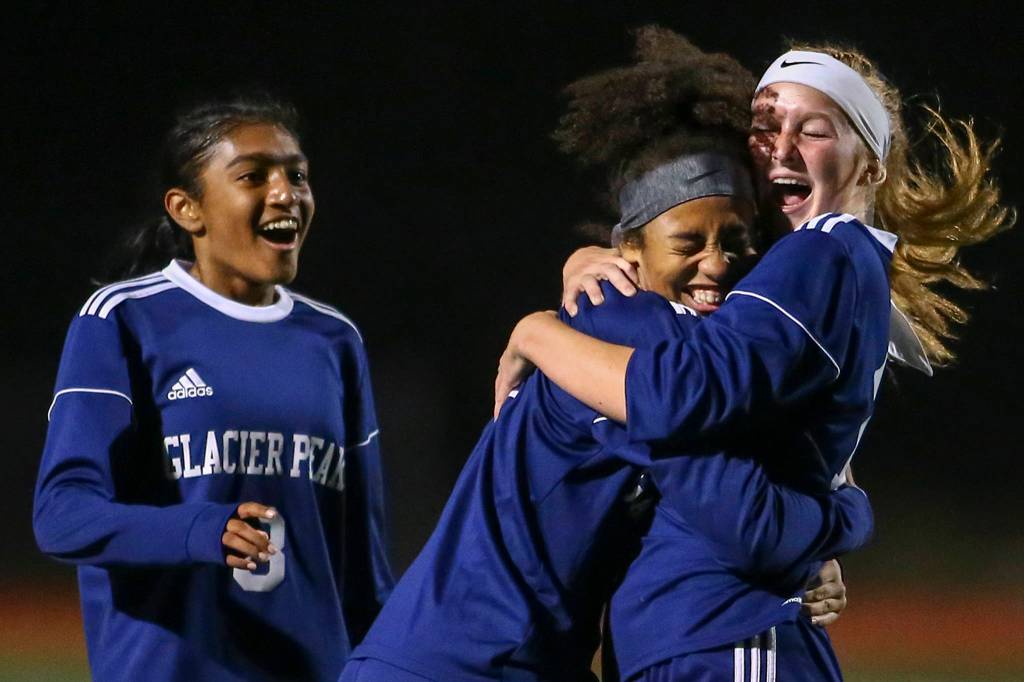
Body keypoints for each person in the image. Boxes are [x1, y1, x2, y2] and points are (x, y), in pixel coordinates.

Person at [343, 30, 868, 682]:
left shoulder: (641, 328)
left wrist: (813, 559)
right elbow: (744, 519)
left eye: (737, 241)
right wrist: (844, 517)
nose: (717, 264)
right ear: (630, 252)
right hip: (466, 662)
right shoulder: (642, 336)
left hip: (504, 659)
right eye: (688, 241)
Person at [495, 33, 1013, 681]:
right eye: (767, 126)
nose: (783, 148)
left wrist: (539, 333)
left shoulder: (822, 253)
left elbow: (680, 395)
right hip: (702, 633)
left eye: (815, 130)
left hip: (726, 633)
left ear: (872, 164)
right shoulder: (794, 270)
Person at [33, 95, 393, 682]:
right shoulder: (123, 319)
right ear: (187, 209)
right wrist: (200, 529)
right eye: (253, 176)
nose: (285, 193)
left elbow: (363, 564)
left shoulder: (334, 340)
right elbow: (62, 515)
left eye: (296, 175)